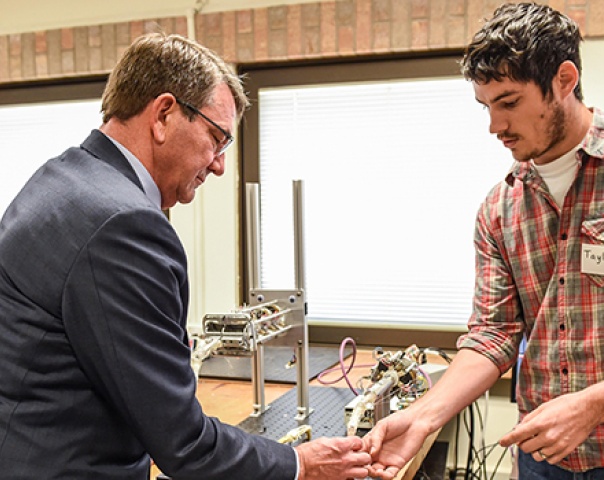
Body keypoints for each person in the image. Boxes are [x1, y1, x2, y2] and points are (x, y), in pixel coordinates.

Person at [0, 32, 371, 480]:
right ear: (163, 114)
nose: (218, 164)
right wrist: (301, 463)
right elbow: (184, 444)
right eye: (216, 138)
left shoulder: (61, 178)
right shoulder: (123, 224)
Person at [364, 3, 604, 479]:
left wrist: (601, 400)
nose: (495, 126)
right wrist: (422, 416)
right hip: (541, 456)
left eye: (508, 102)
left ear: (564, 80)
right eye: (486, 106)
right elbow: (493, 336)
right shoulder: (500, 208)